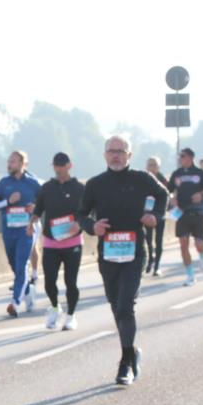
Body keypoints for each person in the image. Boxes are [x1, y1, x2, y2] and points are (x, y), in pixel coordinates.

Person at [76, 135, 167, 385]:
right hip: (108, 253)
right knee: (116, 305)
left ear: (130, 155)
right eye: (111, 151)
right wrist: (92, 226)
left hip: (135, 250)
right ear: (105, 155)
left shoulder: (142, 179)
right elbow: (81, 213)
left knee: (126, 306)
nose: (116, 155)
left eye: (121, 151)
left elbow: (163, 195)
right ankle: (132, 350)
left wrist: (155, 216)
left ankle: (125, 362)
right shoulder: (95, 184)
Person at [33, 152, 84, 330]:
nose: (59, 168)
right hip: (51, 241)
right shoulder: (47, 187)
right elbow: (38, 209)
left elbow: (87, 212)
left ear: (70, 166)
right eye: (56, 165)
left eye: (62, 165)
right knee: (49, 281)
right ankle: (55, 307)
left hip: (72, 242)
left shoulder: (79, 188)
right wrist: (31, 222)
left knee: (71, 282)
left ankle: (71, 316)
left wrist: (79, 224)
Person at [0, 151, 41, 317]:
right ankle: (28, 291)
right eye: (8, 161)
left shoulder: (33, 183)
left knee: (21, 266)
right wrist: (7, 202)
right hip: (8, 231)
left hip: (26, 231)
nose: (9, 164)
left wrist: (36, 209)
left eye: (13, 161)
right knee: (15, 266)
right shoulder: (3, 183)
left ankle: (15, 303)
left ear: (22, 164)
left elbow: (45, 202)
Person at [168, 148, 203, 286]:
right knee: (183, 245)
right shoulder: (176, 174)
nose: (180, 159)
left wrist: (201, 194)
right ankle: (190, 276)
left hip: (198, 212)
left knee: (199, 245)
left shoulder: (200, 173)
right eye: (179, 156)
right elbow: (168, 190)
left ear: (190, 157)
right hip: (182, 213)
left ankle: (202, 256)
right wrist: (172, 198)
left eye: (182, 156)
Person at [143, 156, 171, 277]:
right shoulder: (143, 179)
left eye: (154, 165)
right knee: (148, 240)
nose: (152, 167)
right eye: (150, 164)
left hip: (159, 215)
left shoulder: (162, 179)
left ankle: (157, 266)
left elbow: (169, 193)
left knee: (158, 240)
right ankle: (150, 260)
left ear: (158, 167)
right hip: (146, 214)